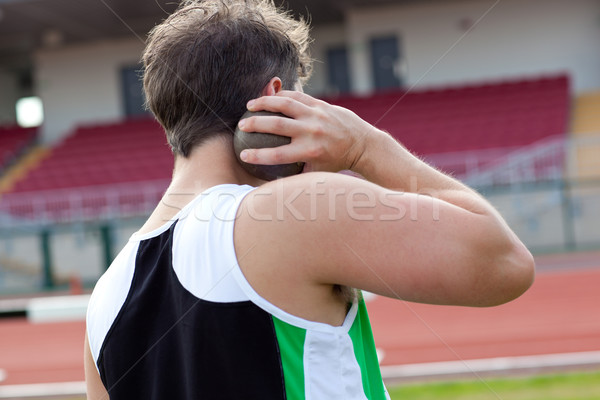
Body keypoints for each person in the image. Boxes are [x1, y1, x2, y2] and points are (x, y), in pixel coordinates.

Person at [84, 0, 535, 399]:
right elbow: (505, 264)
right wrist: (366, 146)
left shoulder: (104, 300)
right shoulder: (295, 211)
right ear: (275, 100)